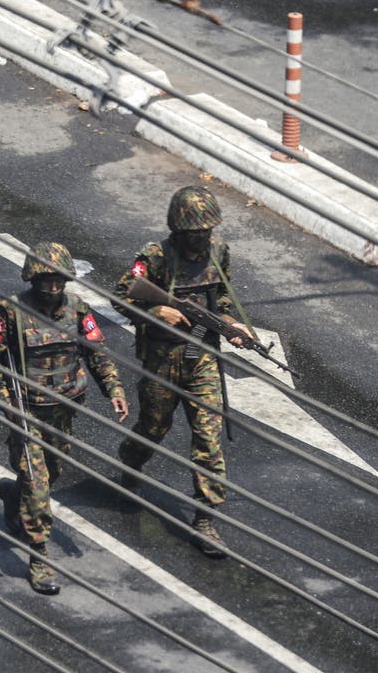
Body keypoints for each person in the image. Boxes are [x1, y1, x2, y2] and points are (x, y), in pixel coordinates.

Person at [0, 241, 129, 595]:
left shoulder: (78, 309)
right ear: (33, 278)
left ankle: (11, 495)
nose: (52, 287)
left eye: (58, 280)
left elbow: (98, 354)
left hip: (63, 408)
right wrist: (5, 403)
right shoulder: (13, 311)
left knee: (53, 470)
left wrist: (115, 391)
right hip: (27, 410)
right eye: (45, 279)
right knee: (38, 480)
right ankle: (39, 556)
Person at [112, 185, 252, 558]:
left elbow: (219, 297)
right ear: (178, 229)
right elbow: (121, 297)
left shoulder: (219, 253)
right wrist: (156, 312)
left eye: (206, 231)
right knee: (154, 427)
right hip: (161, 357)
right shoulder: (156, 257)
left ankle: (205, 519)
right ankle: (130, 462)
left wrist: (231, 325)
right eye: (194, 233)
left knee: (208, 438)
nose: (201, 238)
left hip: (202, 357)